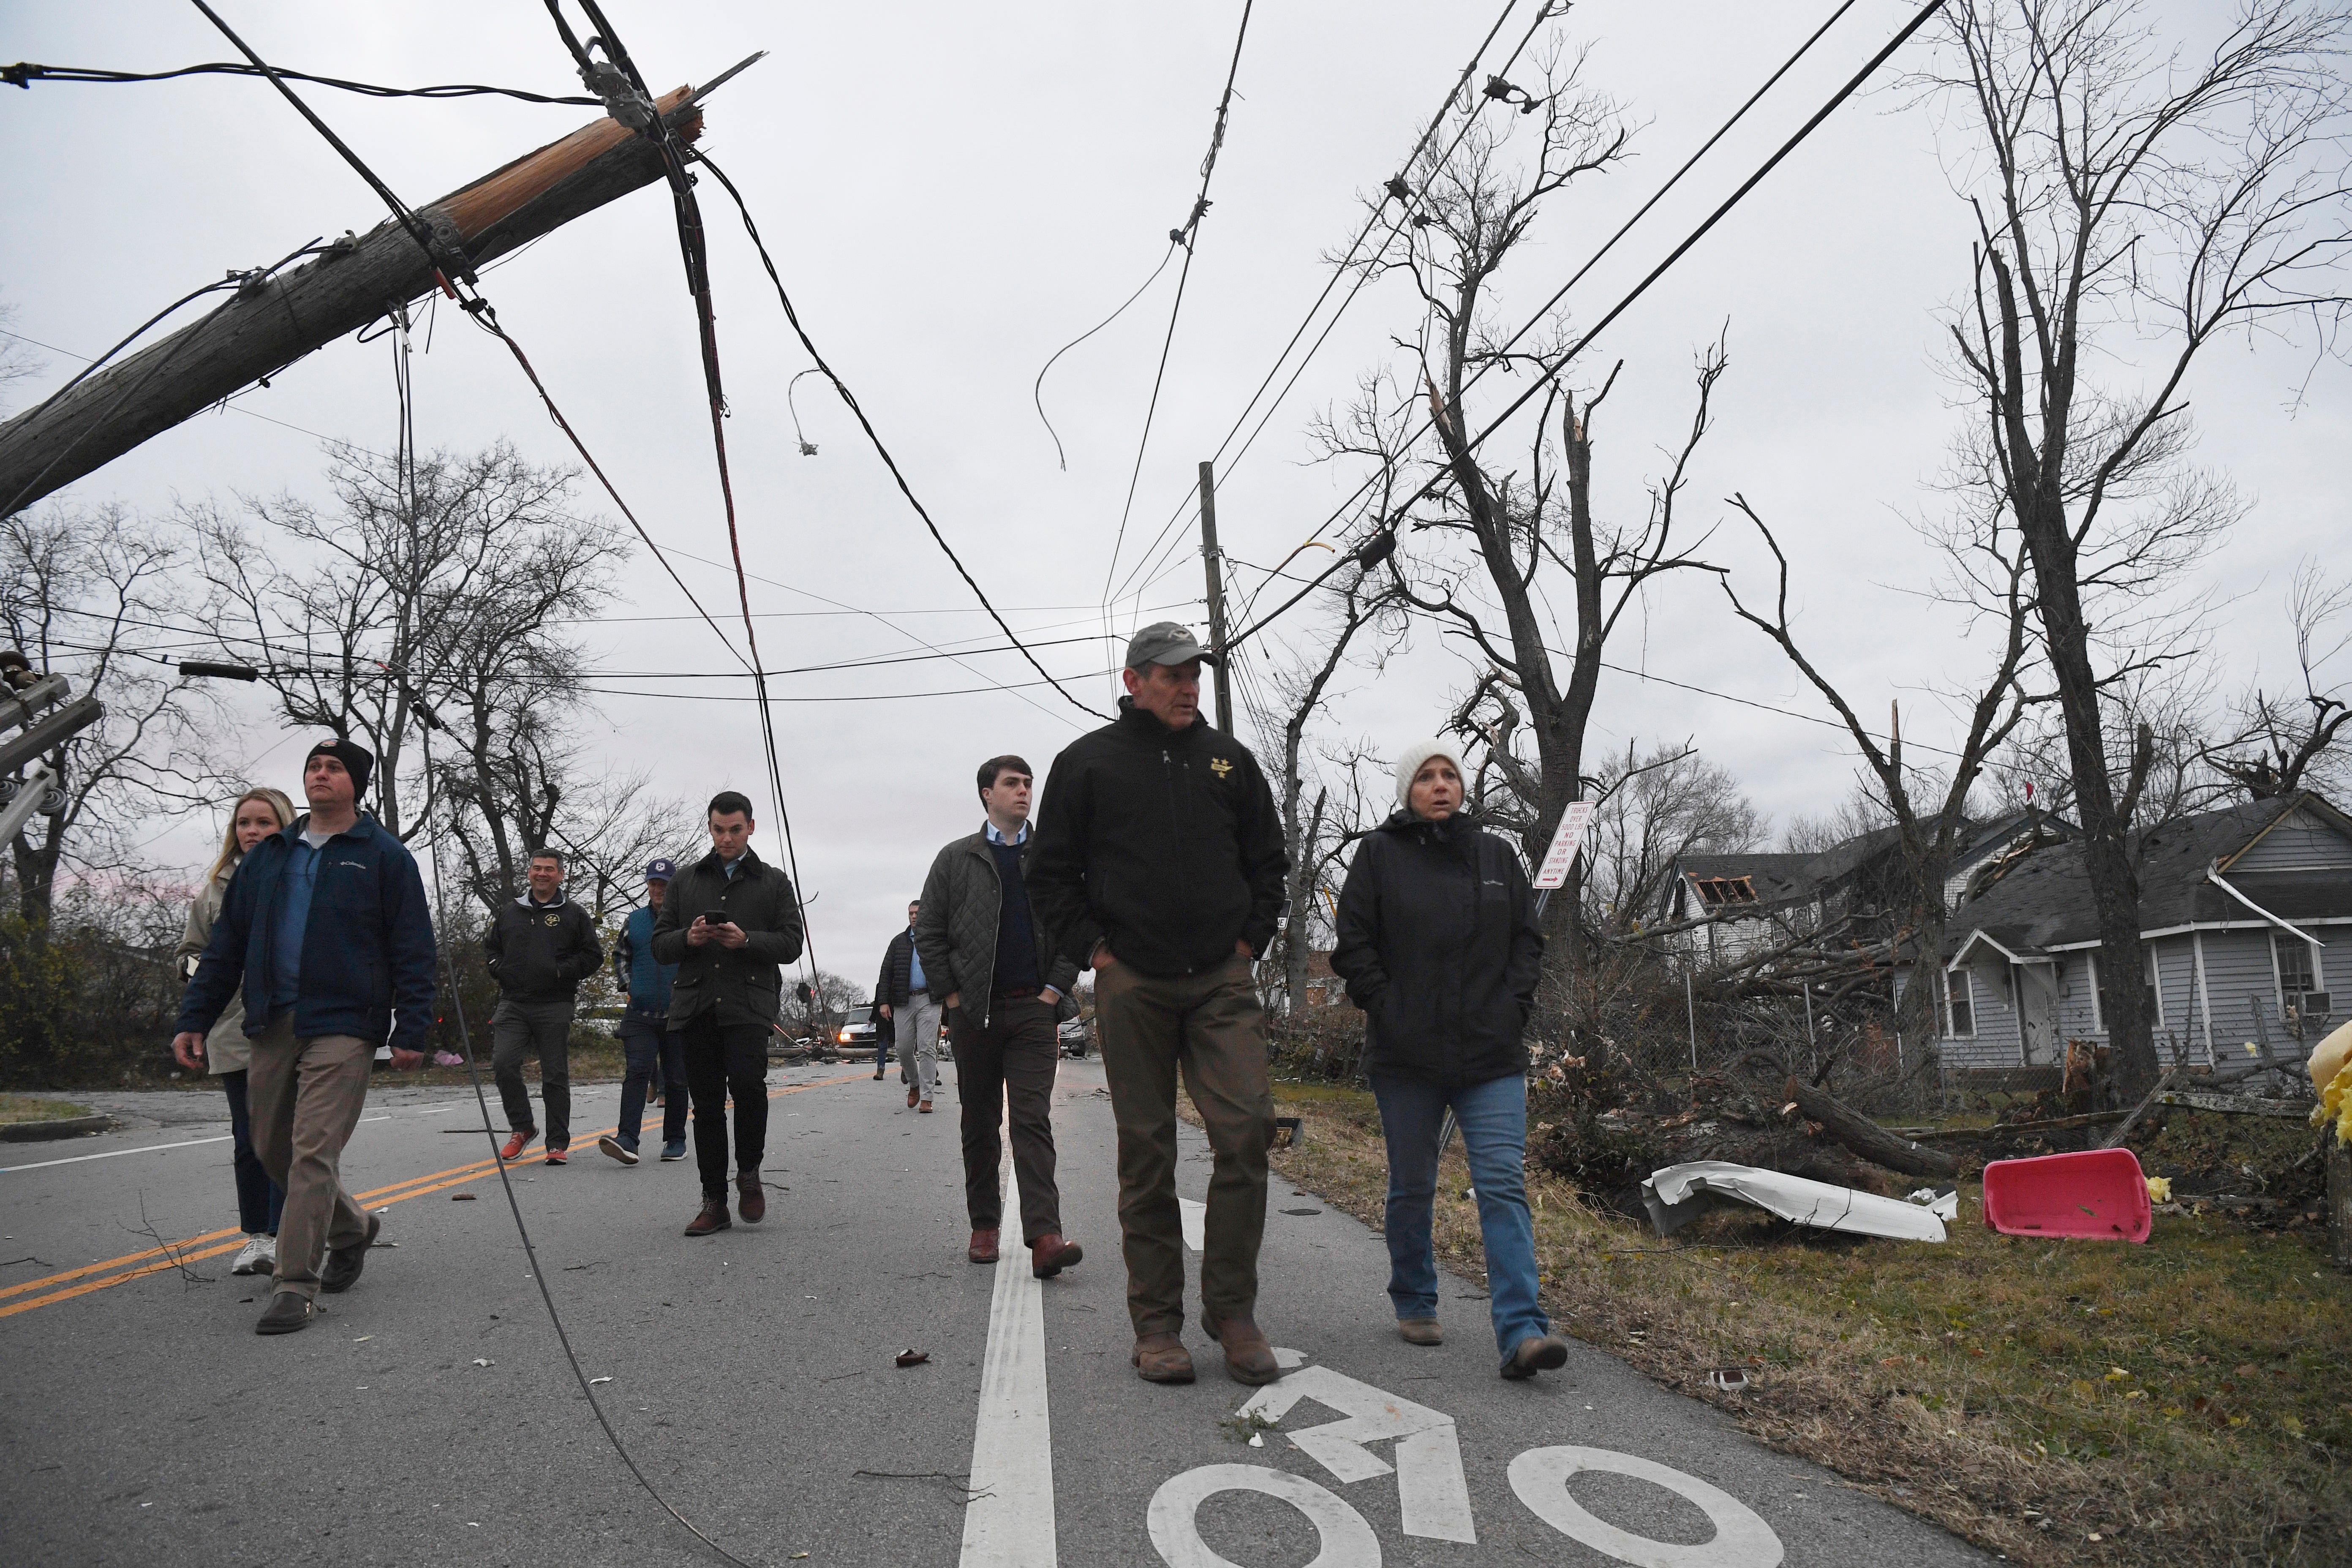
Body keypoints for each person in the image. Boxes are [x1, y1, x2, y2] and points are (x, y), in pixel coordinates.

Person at [1029, 624, 1288, 1386]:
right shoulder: (1088, 763)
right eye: (1172, 675)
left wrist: (1249, 941)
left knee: (1247, 1130)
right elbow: (1050, 874)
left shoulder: (1229, 761)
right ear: (1134, 680)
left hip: (1220, 979)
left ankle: (1231, 1311)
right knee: (1147, 1151)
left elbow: (1268, 860)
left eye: (1193, 674)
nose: (1187, 687)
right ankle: (1156, 1324)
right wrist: (1096, 950)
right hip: (1132, 979)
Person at [172, 738, 434, 1335]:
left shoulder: (384, 856)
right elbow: (226, 947)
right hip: (272, 1019)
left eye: (334, 768)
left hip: (345, 1021)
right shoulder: (271, 856)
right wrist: (194, 1018)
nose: (320, 774)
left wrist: (412, 1027)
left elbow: (414, 948)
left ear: (355, 784)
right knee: (271, 1147)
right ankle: (352, 1228)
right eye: (314, 766)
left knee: (313, 1149)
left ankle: (294, 1285)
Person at [1329, 739, 1571, 1380]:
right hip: (1406, 1056)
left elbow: (1527, 940)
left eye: (1450, 776)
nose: (1441, 785)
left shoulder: (1496, 856)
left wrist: (1513, 1007)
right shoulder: (1378, 855)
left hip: (1490, 1053)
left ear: (1463, 789)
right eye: (1427, 777)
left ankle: (1523, 1331)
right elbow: (1353, 944)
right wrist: (1388, 1007)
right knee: (1413, 1185)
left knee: (1502, 1185)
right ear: (1408, 791)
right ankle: (1414, 1297)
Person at [916, 757, 1083, 1279]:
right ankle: (984, 1226)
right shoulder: (955, 858)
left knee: (1032, 1119)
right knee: (980, 1120)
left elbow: (1075, 924)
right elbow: (930, 931)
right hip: (975, 1013)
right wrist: (952, 997)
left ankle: (1046, 1237)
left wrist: (1054, 991)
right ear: (987, 793)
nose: (1024, 791)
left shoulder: (1052, 857)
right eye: (1012, 783)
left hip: (1035, 1009)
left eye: (1028, 783)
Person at [650, 790, 805, 1237]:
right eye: (719, 830)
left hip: (748, 1004)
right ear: (710, 828)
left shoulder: (773, 882)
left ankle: (749, 1173)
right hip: (696, 1005)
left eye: (735, 830)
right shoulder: (685, 881)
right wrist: (689, 938)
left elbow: (792, 943)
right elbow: (660, 945)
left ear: (751, 828)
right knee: (706, 1105)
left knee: (749, 1087)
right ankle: (714, 1201)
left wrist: (748, 940)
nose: (726, 838)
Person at [173, 785, 297, 1277]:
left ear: (283, 827)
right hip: (232, 1028)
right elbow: (188, 955)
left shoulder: (303, 876)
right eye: (244, 823)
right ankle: (259, 1236)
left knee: (290, 1136)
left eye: (264, 823)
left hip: (290, 1025)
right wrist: (211, 973)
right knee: (249, 1139)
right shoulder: (215, 890)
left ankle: (293, 1233)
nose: (253, 831)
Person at [486, 850, 603, 1166]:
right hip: (513, 1003)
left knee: (554, 1075)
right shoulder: (510, 912)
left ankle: (557, 1144)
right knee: (504, 1064)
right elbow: (492, 949)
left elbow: (593, 956)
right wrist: (499, 968)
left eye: (549, 869)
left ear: (560, 875)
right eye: (537, 868)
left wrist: (561, 972)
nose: (542, 874)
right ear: (529, 873)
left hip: (555, 1004)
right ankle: (522, 1127)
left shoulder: (574, 914)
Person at [602, 858, 686, 1165]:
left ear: (674, 887)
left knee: (676, 1078)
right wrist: (629, 985)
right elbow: (620, 954)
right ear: (648, 886)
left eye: (664, 884)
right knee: (637, 1072)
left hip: (679, 1014)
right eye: (653, 883)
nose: (658, 889)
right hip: (640, 1013)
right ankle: (627, 1139)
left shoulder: (687, 921)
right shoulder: (635, 920)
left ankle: (675, 1140)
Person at [875, 900, 944, 1108]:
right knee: (903, 1048)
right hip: (903, 1001)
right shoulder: (899, 942)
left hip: (930, 1000)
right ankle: (915, 1084)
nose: (914, 917)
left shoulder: (936, 940)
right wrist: (883, 1002)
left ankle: (927, 1098)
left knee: (927, 1047)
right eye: (911, 913)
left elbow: (947, 967)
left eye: (918, 913)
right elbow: (886, 973)